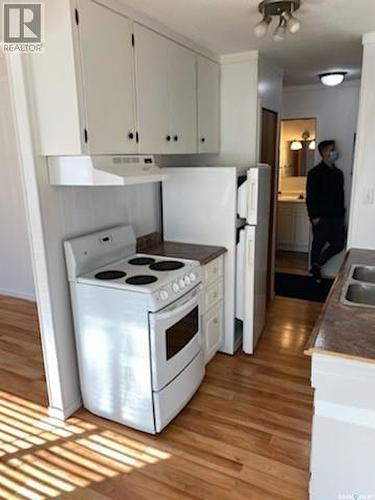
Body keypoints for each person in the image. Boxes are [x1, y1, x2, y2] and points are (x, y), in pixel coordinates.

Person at [306, 140, 346, 281]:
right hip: (321, 218)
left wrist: (342, 215)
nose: (334, 152)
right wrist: (314, 217)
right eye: (331, 149)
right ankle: (314, 274)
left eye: (334, 149)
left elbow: (340, 196)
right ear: (324, 153)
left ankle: (316, 265)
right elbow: (310, 197)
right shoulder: (314, 173)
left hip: (337, 217)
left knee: (339, 244)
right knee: (317, 245)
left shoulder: (338, 174)